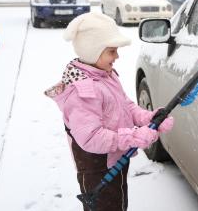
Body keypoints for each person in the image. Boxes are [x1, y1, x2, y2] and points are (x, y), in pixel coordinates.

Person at [45, 12, 174, 211]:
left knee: (118, 202)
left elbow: (126, 105)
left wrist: (148, 118)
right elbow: (91, 138)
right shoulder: (83, 91)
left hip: (115, 159)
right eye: (111, 51)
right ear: (93, 51)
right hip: (97, 168)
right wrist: (132, 137)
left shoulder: (105, 75)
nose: (117, 56)